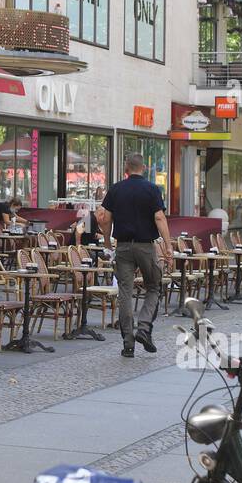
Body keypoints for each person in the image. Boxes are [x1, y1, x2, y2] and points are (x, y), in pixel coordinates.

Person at [99, 153, 169, 358]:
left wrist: (106, 241)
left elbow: (104, 218)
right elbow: (159, 216)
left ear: (126, 168)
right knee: (154, 286)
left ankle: (128, 344)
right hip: (145, 246)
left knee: (125, 293)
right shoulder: (152, 189)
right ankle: (144, 328)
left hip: (122, 247)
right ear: (144, 168)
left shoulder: (116, 189)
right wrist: (168, 245)